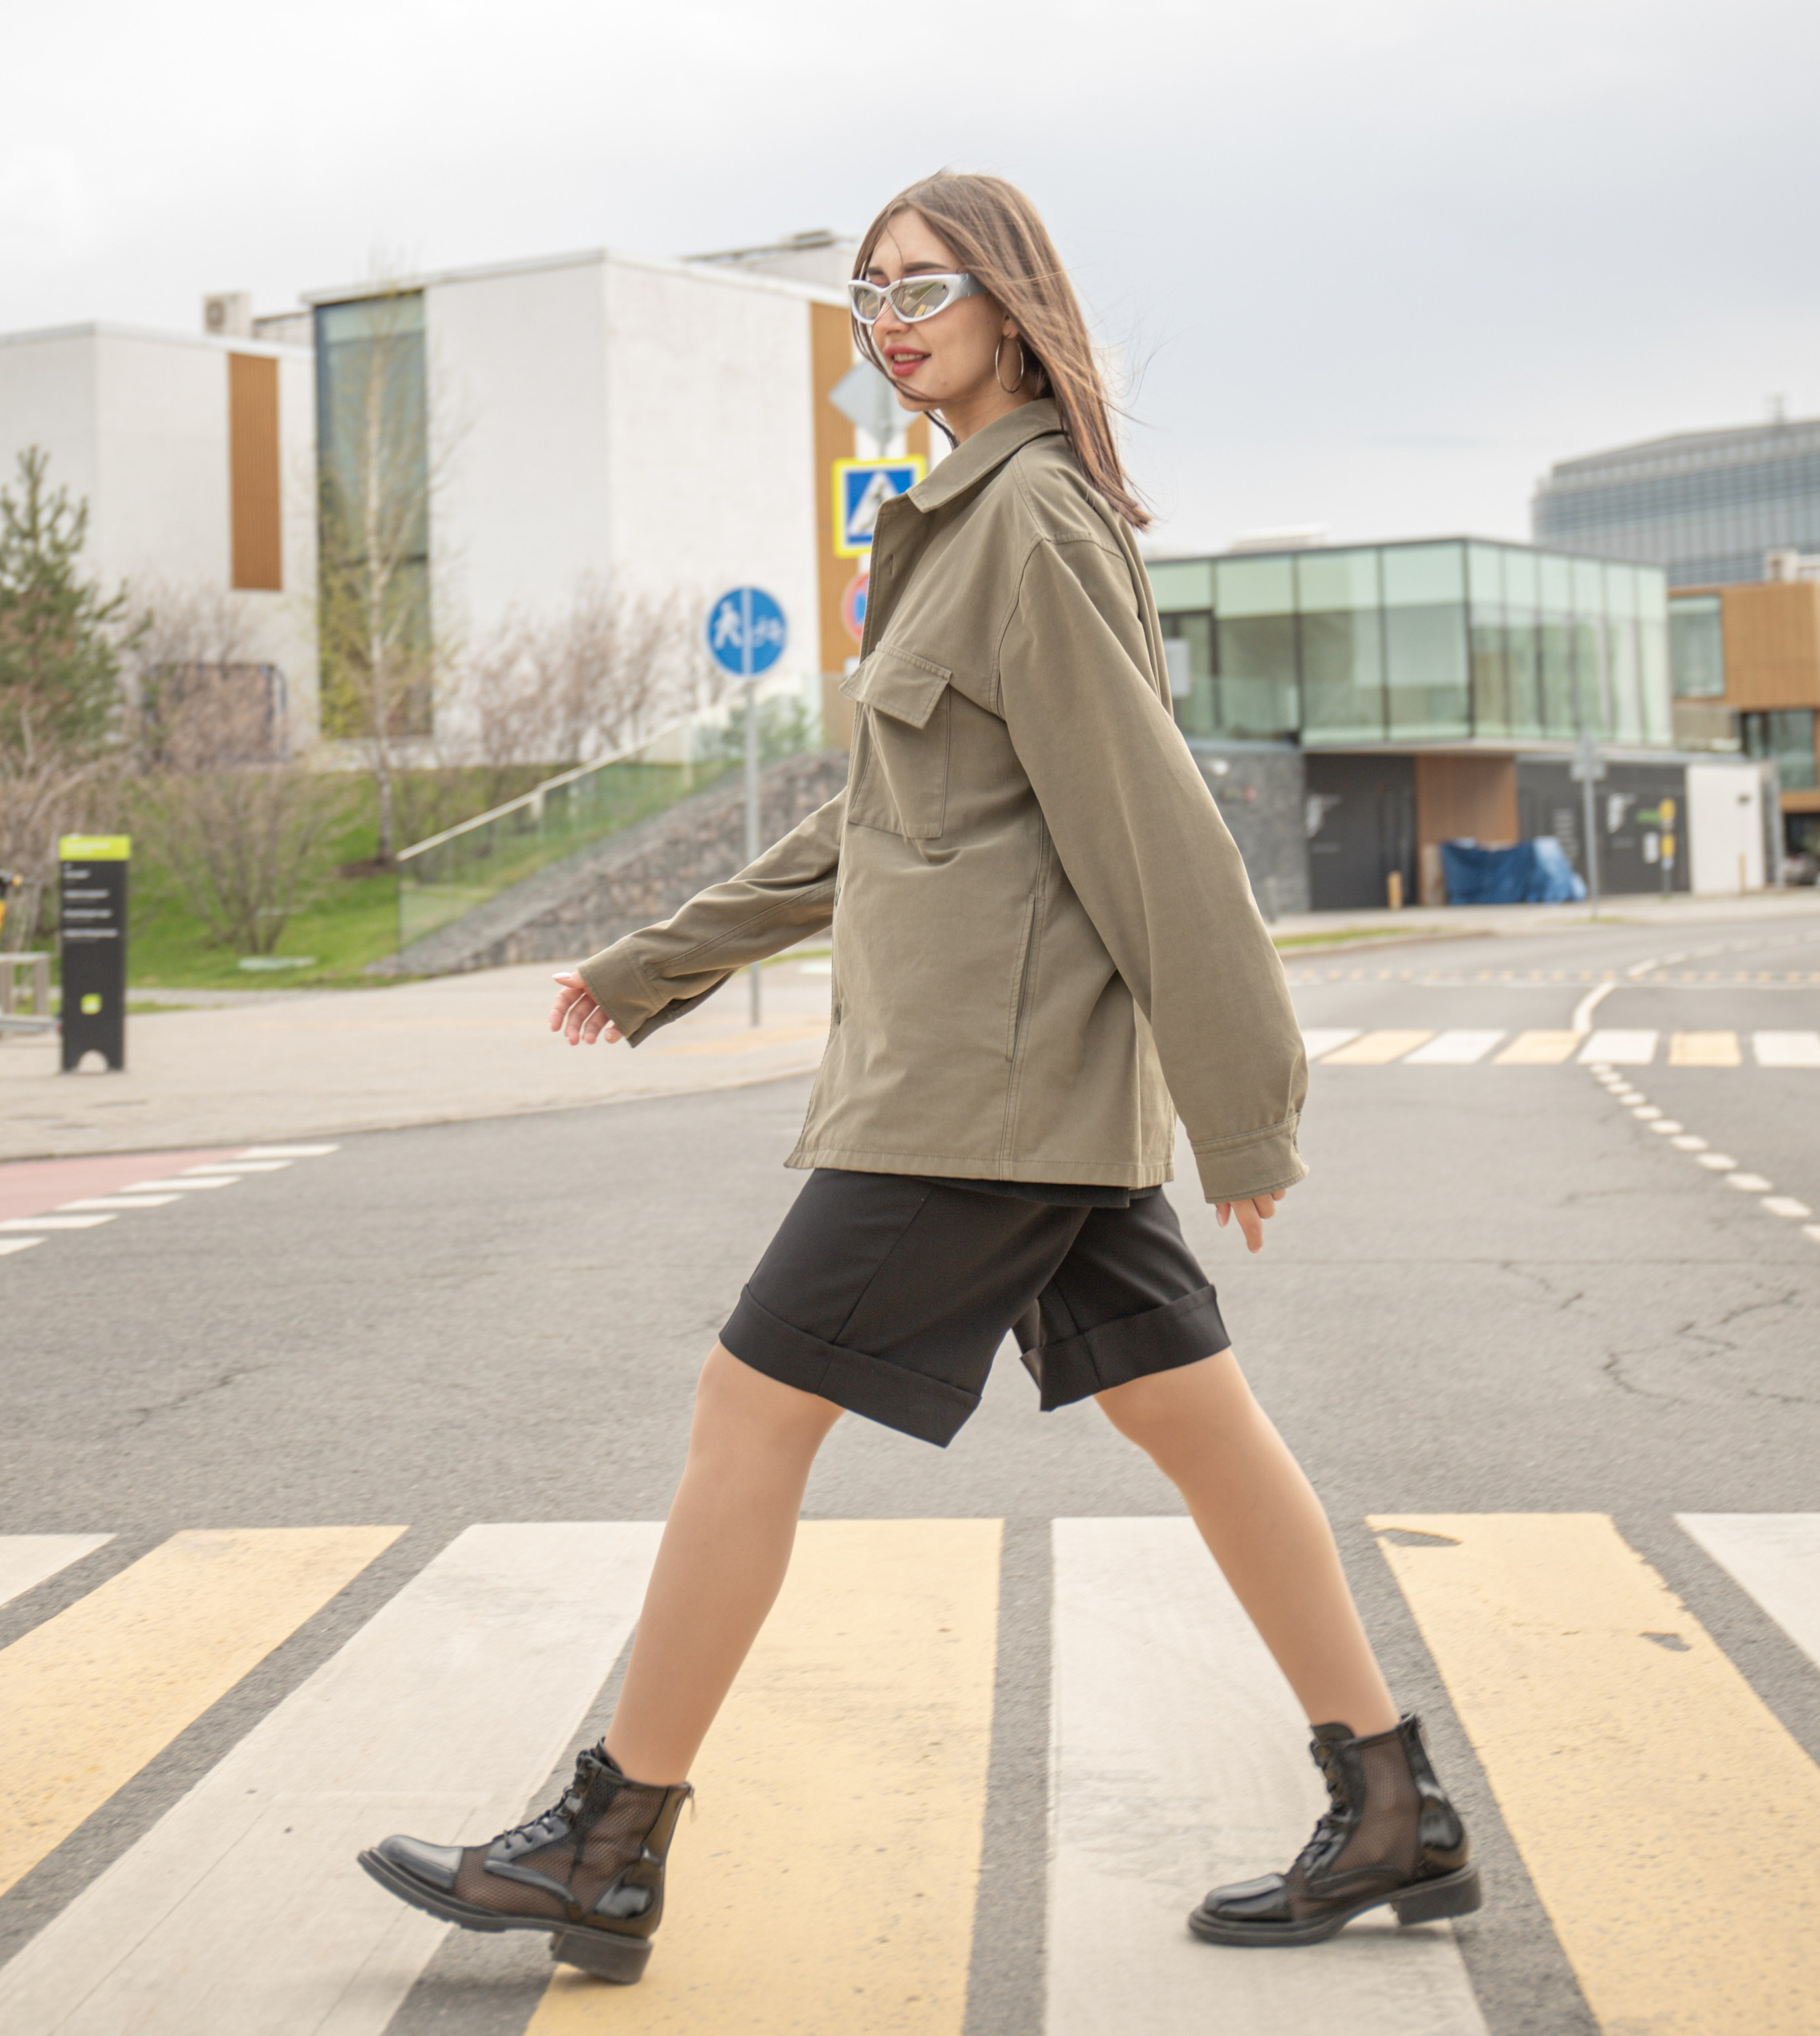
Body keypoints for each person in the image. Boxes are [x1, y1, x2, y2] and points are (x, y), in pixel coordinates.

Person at [359, 171, 1479, 1982]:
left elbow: (1153, 833)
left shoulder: (1023, 522)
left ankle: (609, 1839)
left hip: (983, 1091)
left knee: (749, 1410)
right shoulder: (960, 519)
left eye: (922, 286)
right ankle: (1389, 1810)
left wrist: (1243, 1106)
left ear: (1010, 301)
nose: (887, 321)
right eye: (863, 296)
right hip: (1014, 1087)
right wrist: (665, 959)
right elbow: (889, 820)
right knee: (1192, 1417)